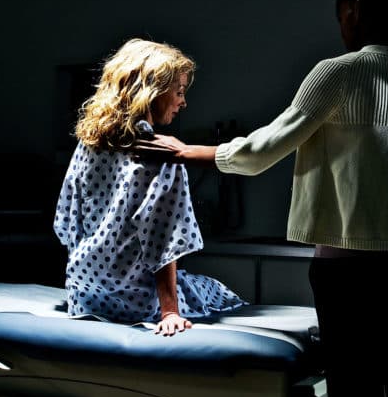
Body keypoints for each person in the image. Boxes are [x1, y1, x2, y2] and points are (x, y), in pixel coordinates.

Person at [134, 0, 388, 397]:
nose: (341, 29)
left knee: (353, 391)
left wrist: (184, 151)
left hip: (346, 274)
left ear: (355, 10)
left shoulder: (340, 73)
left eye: (342, 17)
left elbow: (262, 151)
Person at [53, 38, 246, 336]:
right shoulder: (162, 153)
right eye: (179, 92)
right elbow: (162, 236)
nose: (184, 102)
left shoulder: (89, 143)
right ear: (152, 91)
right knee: (219, 293)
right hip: (135, 302)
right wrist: (170, 312)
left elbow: (66, 221)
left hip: (83, 294)